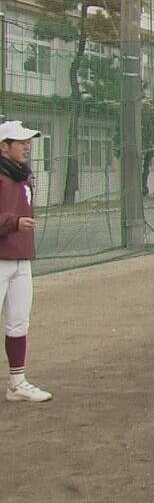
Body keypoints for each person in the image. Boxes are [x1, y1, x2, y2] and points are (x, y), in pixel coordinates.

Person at [0, 121, 51, 402]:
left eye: (28, 142)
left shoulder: (24, 177)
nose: (27, 147)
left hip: (21, 258)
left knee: (19, 323)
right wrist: (14, 222)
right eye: (20, 143)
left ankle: (16, 383)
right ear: (3, 147)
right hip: (1, 258)